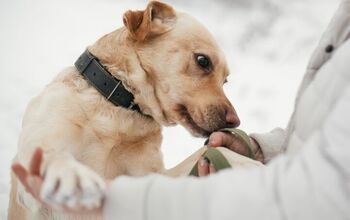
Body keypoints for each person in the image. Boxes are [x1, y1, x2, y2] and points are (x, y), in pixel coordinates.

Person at [12, 0, 350, 219]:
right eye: (202, 64)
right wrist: (58, 170)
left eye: (222, 82)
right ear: (146, 28)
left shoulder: (147, 131)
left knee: (224, 163)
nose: (231, 116)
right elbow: (35, 173)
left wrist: (242, 157)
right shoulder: (61, 102)